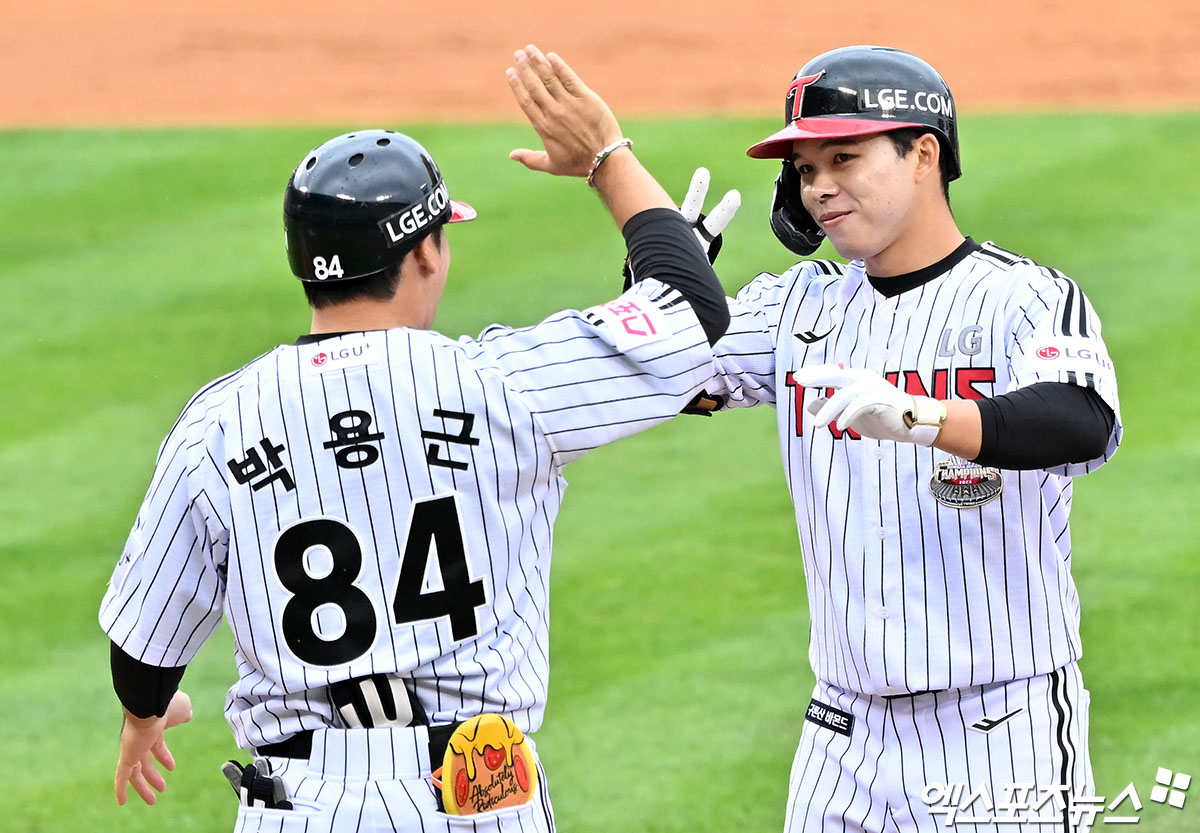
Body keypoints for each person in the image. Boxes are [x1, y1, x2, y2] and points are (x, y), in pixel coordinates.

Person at [99, 44, 735, 831]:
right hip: (476, 792)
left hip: (301, 804)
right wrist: (607, 155)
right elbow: (693, 309)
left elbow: (144, 650)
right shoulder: (504, 383)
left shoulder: (215, 423)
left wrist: (144, 716)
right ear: (427, 250)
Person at [704, 45, 1122, 831]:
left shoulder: (1021, 298)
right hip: (841, 737)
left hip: (1000, 728)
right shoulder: (795, 308)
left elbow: (1081, 418)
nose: (819, 185)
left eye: (844, 156)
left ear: (923, 153)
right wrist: (665, 277)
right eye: (803, 168)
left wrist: (923, 418)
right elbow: (670, 382)